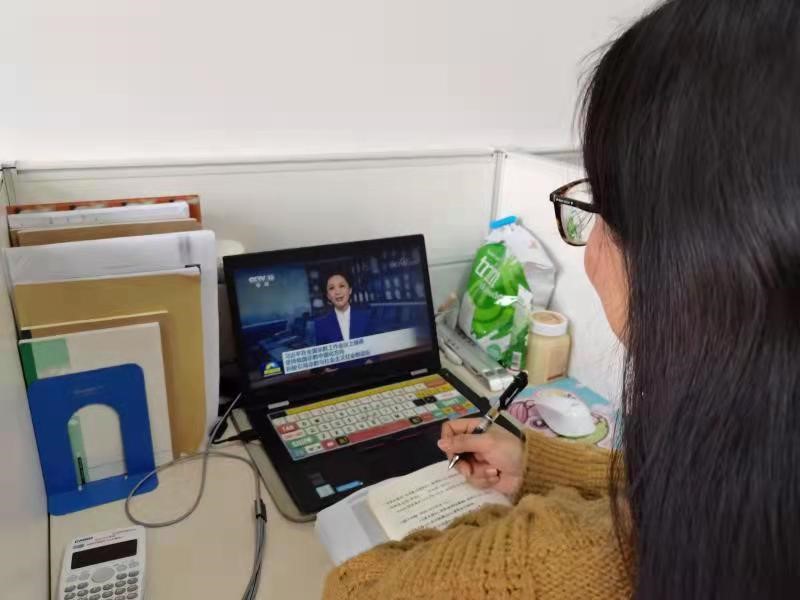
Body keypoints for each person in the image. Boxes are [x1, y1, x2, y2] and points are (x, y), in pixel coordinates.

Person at [323, 1, 800, 598]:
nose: (590, 242)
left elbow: (354, 586)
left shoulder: (560, 565)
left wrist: (512, 535)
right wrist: (539, 467)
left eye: (599, 201)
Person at [315, 272, 372, 344]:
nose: (337, 292)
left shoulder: (367, 316)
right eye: (331, 288)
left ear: (350, 290)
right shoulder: (321, 324)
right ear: (328, 296)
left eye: (341, 286)